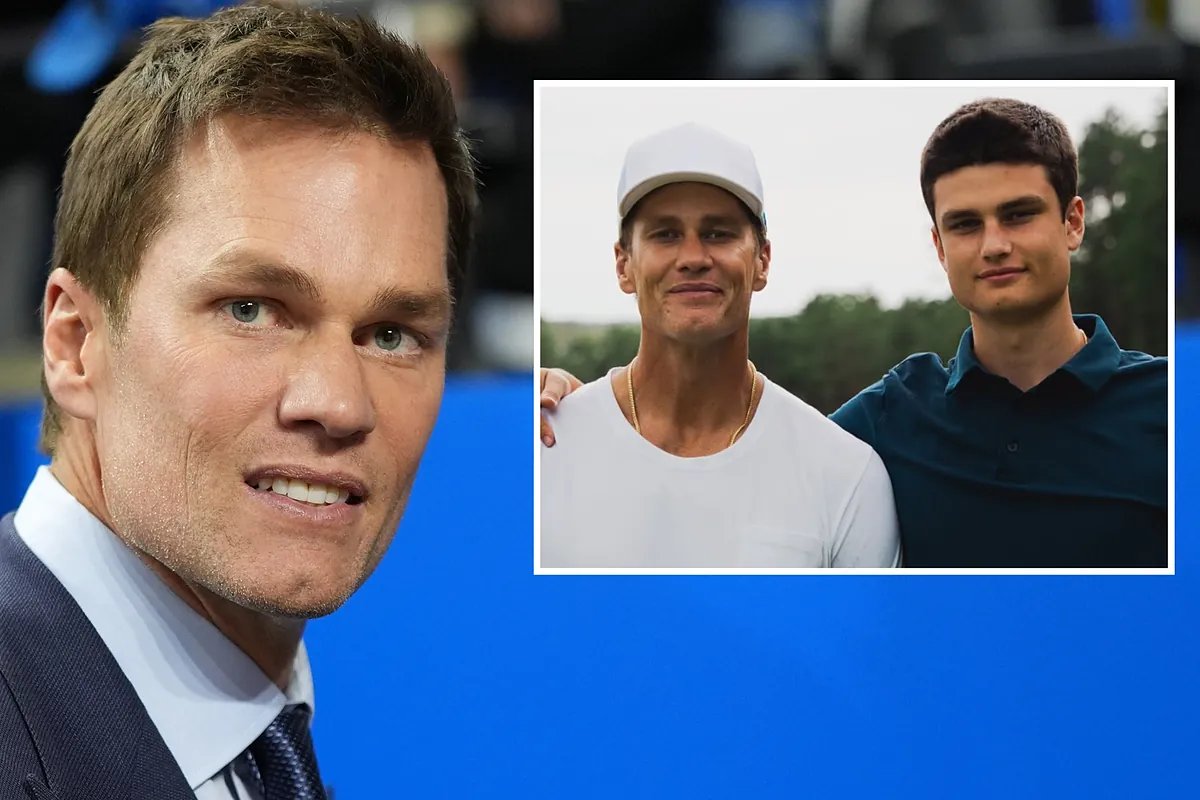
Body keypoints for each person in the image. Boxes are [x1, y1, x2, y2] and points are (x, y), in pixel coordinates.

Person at [0, 3, 476, 798]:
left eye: (392, 333)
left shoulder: (260, 738)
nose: (338, 402)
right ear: (75, 343)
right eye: (251, 309)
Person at [541, 98, 1167, 568]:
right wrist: (551, 400)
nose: (995, 244)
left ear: (1074, 222)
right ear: (939, 245)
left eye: (1020, 214)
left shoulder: (1173, 412)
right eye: (965, 223)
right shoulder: (885, 426)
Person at [541, 122, 900, 568]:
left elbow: (856, 638)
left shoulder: (845, 474)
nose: (693, 258)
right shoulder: (544, 446)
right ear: (624, 264)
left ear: (762, 260)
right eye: (665, 234)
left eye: (719, 233)